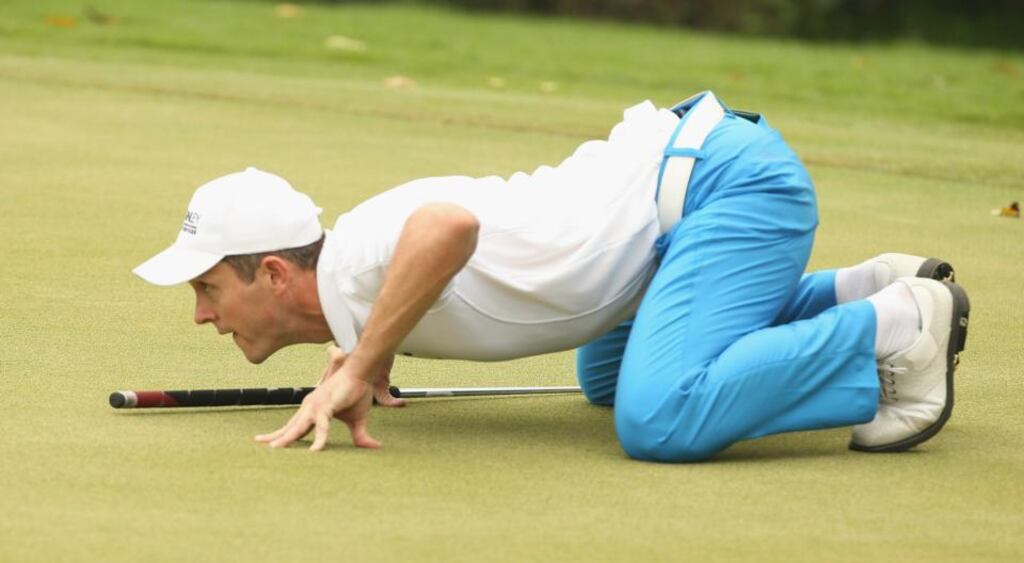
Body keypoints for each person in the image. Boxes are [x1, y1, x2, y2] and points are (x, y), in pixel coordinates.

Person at [133, 91, 970, 461]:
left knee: (660, 418)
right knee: (605, 376)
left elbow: (447, 227)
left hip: (724, 185)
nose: (202, 316)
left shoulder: (357, 254)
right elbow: (413, 273)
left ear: (274, 273)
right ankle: (847, 291)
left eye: (208, 288)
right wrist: (362, 349)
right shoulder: (356, 283)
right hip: (684, 200)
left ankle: (897, 327)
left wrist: (357, 360)